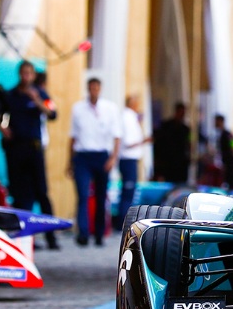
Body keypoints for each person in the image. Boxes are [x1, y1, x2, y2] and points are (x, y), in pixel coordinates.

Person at [1, 60, 59, 249]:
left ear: (33, 76)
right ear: (19, 74)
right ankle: (23, 237)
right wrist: (3, 129)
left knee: (41, 192)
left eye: (29, 73)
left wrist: (36, 100)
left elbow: (52, 114)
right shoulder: (10, 95)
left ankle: (51, 238)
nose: (26, 77)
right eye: (23, 73)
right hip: (16, 148)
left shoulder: (40, 94)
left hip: (34, 148)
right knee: (19, 194)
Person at [69, 76, 120, 246]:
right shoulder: (78, 109)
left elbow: (116, 136)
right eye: (91, 88)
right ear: (88, 89)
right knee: (82, 195)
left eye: (96, 88)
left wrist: (112, 158)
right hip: (83, 156)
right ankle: (83, 233)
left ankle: (98, 233)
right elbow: (73, 137)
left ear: (100, 89)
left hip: (101, 156)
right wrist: (70, 161)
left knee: (100, 196)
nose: (94, 91)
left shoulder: (109, 109)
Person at [116, 95, 150, 228]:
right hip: (128, 158)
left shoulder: (128, 117)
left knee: (127, 192)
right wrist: (144, 141)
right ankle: (124, 222)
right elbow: (129, 142)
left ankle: (123, 221)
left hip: (127, 159)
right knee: (128, 192)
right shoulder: (128, 118)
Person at [152, 102, 192, 183]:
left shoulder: (186, 129)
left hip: (181, 162)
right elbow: (160, 143)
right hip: (169, 162)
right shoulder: (166, 126)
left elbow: (189, 143)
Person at [213, 114, 233, 189]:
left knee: (231, 184)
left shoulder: (227, 134)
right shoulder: (221, 134)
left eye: (216, 121)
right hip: (227, 163)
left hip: (230, 164)